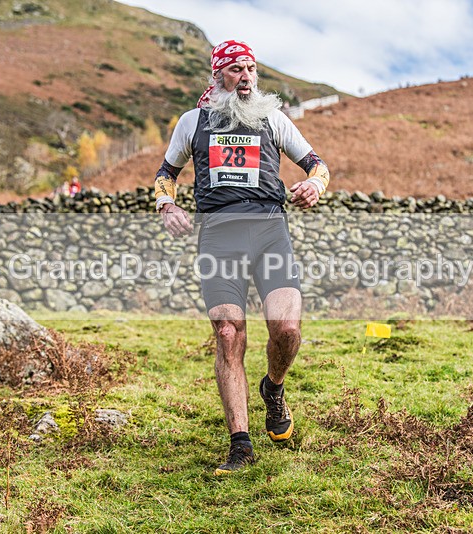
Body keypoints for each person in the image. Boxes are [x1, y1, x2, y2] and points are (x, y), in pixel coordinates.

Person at [154, 40, 330, 474]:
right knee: (229, 335)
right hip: (218, 238)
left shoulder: (273, 119)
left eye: (251, 68)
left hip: (271, 234)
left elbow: (318, 165)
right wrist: (168, 205)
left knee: (286, 329)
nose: (246, 76)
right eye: (236, 69)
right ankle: (240, 445)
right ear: (218, 78)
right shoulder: (191, 122)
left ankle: (273, 388)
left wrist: (315, 186)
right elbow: (165, 175)